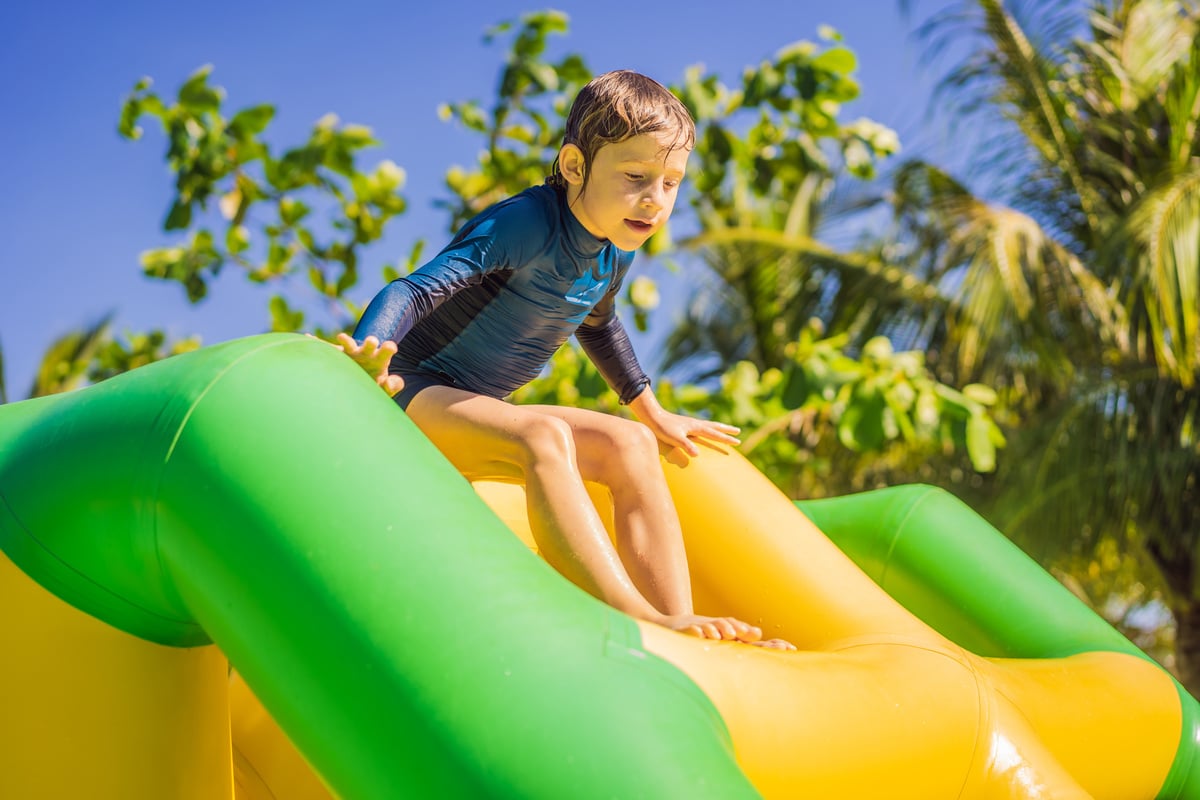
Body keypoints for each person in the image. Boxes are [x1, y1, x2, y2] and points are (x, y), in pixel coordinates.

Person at [337, 70, 793, 650]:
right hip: (411, 392)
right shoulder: (526, 223)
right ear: (575, 166)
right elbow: (414, 290)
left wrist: (654, 415)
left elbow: (598, 326)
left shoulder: (612, 248)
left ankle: (683, 624)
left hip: (473, 405)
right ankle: (635, 615)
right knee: (543, 433)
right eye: (636, 177)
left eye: (671, 183)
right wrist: (370, 357)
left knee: (630, 445)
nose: (655, 200)